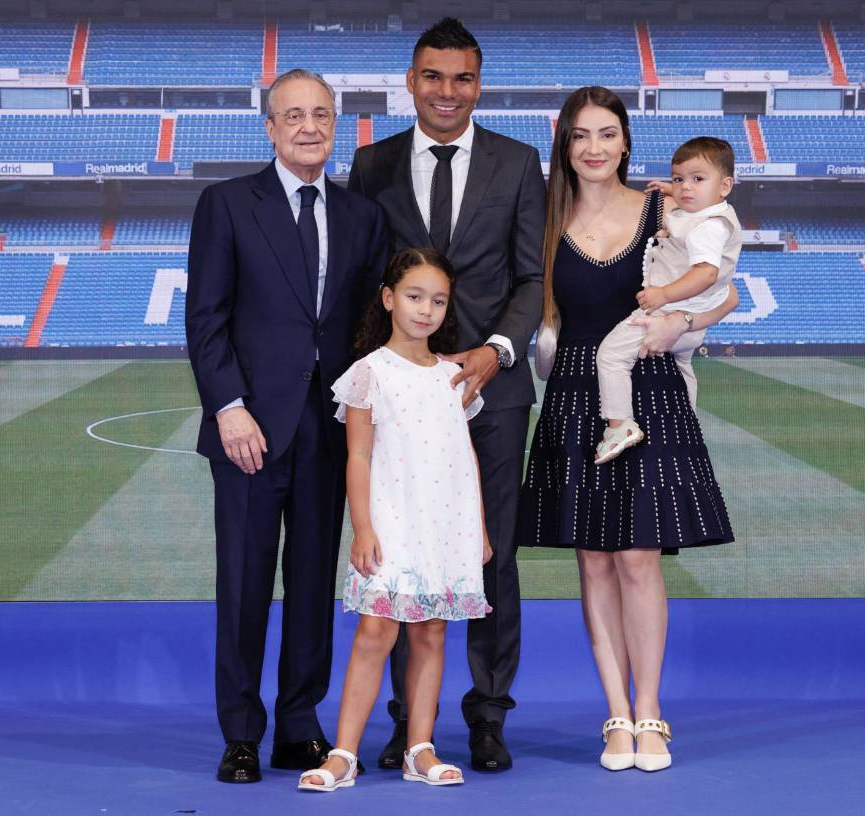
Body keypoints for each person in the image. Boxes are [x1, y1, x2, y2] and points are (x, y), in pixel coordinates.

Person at [518, 86, 737, 774]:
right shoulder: (544, 217)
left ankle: (651, 712)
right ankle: (615, 714)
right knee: (594, 560)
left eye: (606, 133)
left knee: (639, 557)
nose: (593, 148)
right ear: (565, 142)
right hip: (575, 393)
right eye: (581, 135)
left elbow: (727, 288)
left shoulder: (664, 208)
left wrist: (685, 321)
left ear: (625, 141)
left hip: (649, 390)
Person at [348, 16, 545, 774]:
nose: (447, 92)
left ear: (478, 84)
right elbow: (368, 280)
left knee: (491, 553)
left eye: (463, 78)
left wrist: (496, 352)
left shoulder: (518, 162)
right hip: (403, 398)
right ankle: (409, 722)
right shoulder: (372, 165)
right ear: (411, 80)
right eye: (433, 76)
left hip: (492, 394)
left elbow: (530, 277)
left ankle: (488, 715)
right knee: (403, 558)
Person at [185, 68, 387, 784]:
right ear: (269, 128)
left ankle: (298, 725)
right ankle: (241, 732)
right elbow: (206, 320)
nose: (308, 127)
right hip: (249, 431)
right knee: (242, 586)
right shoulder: (227, 205)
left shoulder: (362, 216)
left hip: (328, 432)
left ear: (338, 125)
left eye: (321, 115)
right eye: (293, 115)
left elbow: (366, 330)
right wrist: (230, 407)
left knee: (310, 584)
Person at [298, 247, 492, 792]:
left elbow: (465, 454)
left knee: (431, 632)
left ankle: (420, 749)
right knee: (375, 631)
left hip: (445, 524)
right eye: (413, 296)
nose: (425, 309)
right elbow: (357, 456)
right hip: (391, 522)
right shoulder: (368, 374)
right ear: (388, 299)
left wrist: (476, 527)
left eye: (437, 300)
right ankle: (343, 754)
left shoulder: (454, 376)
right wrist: (362, 527)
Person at [594, 136, 742, 464]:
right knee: (683, 364)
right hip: (692, 324)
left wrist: (663, 294)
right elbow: (694, 196)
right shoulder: (712, 211)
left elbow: (704, 273)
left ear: (725, 186)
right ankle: (688, 423)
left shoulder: (707, 228)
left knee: (611, 356)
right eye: (679, 179)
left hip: (671, 311)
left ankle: (619, 424)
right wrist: (673, 190)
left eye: (697, 179)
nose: (685, 188)